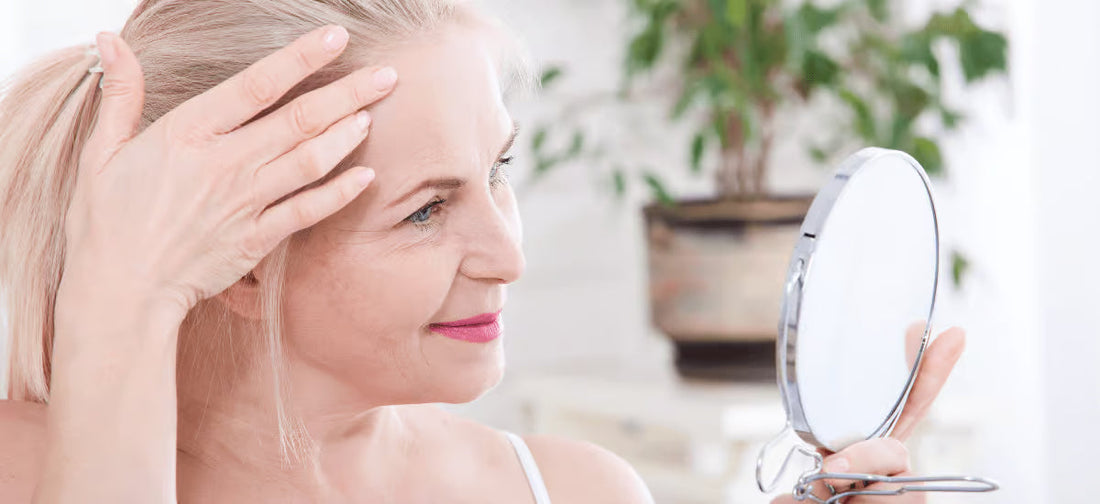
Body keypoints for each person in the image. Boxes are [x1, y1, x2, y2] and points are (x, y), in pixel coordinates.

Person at [0, 0, 966, 502]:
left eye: (498, 169)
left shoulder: (578, 491)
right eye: (426, 211)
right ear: (240, 256)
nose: (508, 255)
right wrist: (119, 293)